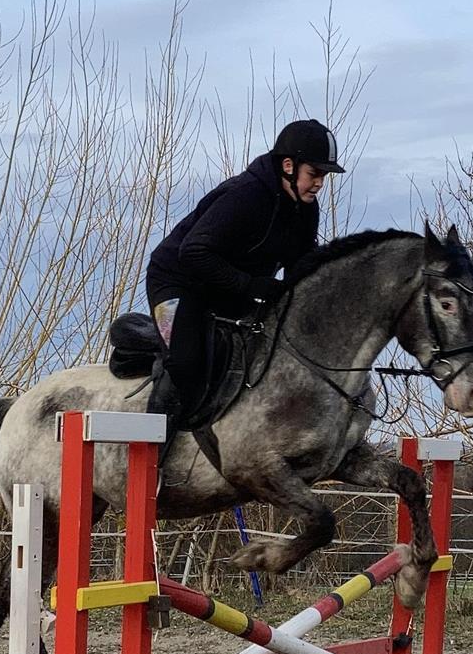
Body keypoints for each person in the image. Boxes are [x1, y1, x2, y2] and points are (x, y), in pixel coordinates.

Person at [144, 118, 345, 439]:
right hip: (178, 281)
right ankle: (149, 455)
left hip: (230, 287)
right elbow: (194, 253)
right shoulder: (245, 196)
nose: (320, 183)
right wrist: (252, 286)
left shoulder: (305, 208)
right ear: (289, 166)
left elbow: (301, 268)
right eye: (315, 173)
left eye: (324, 176)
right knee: (185, 363)